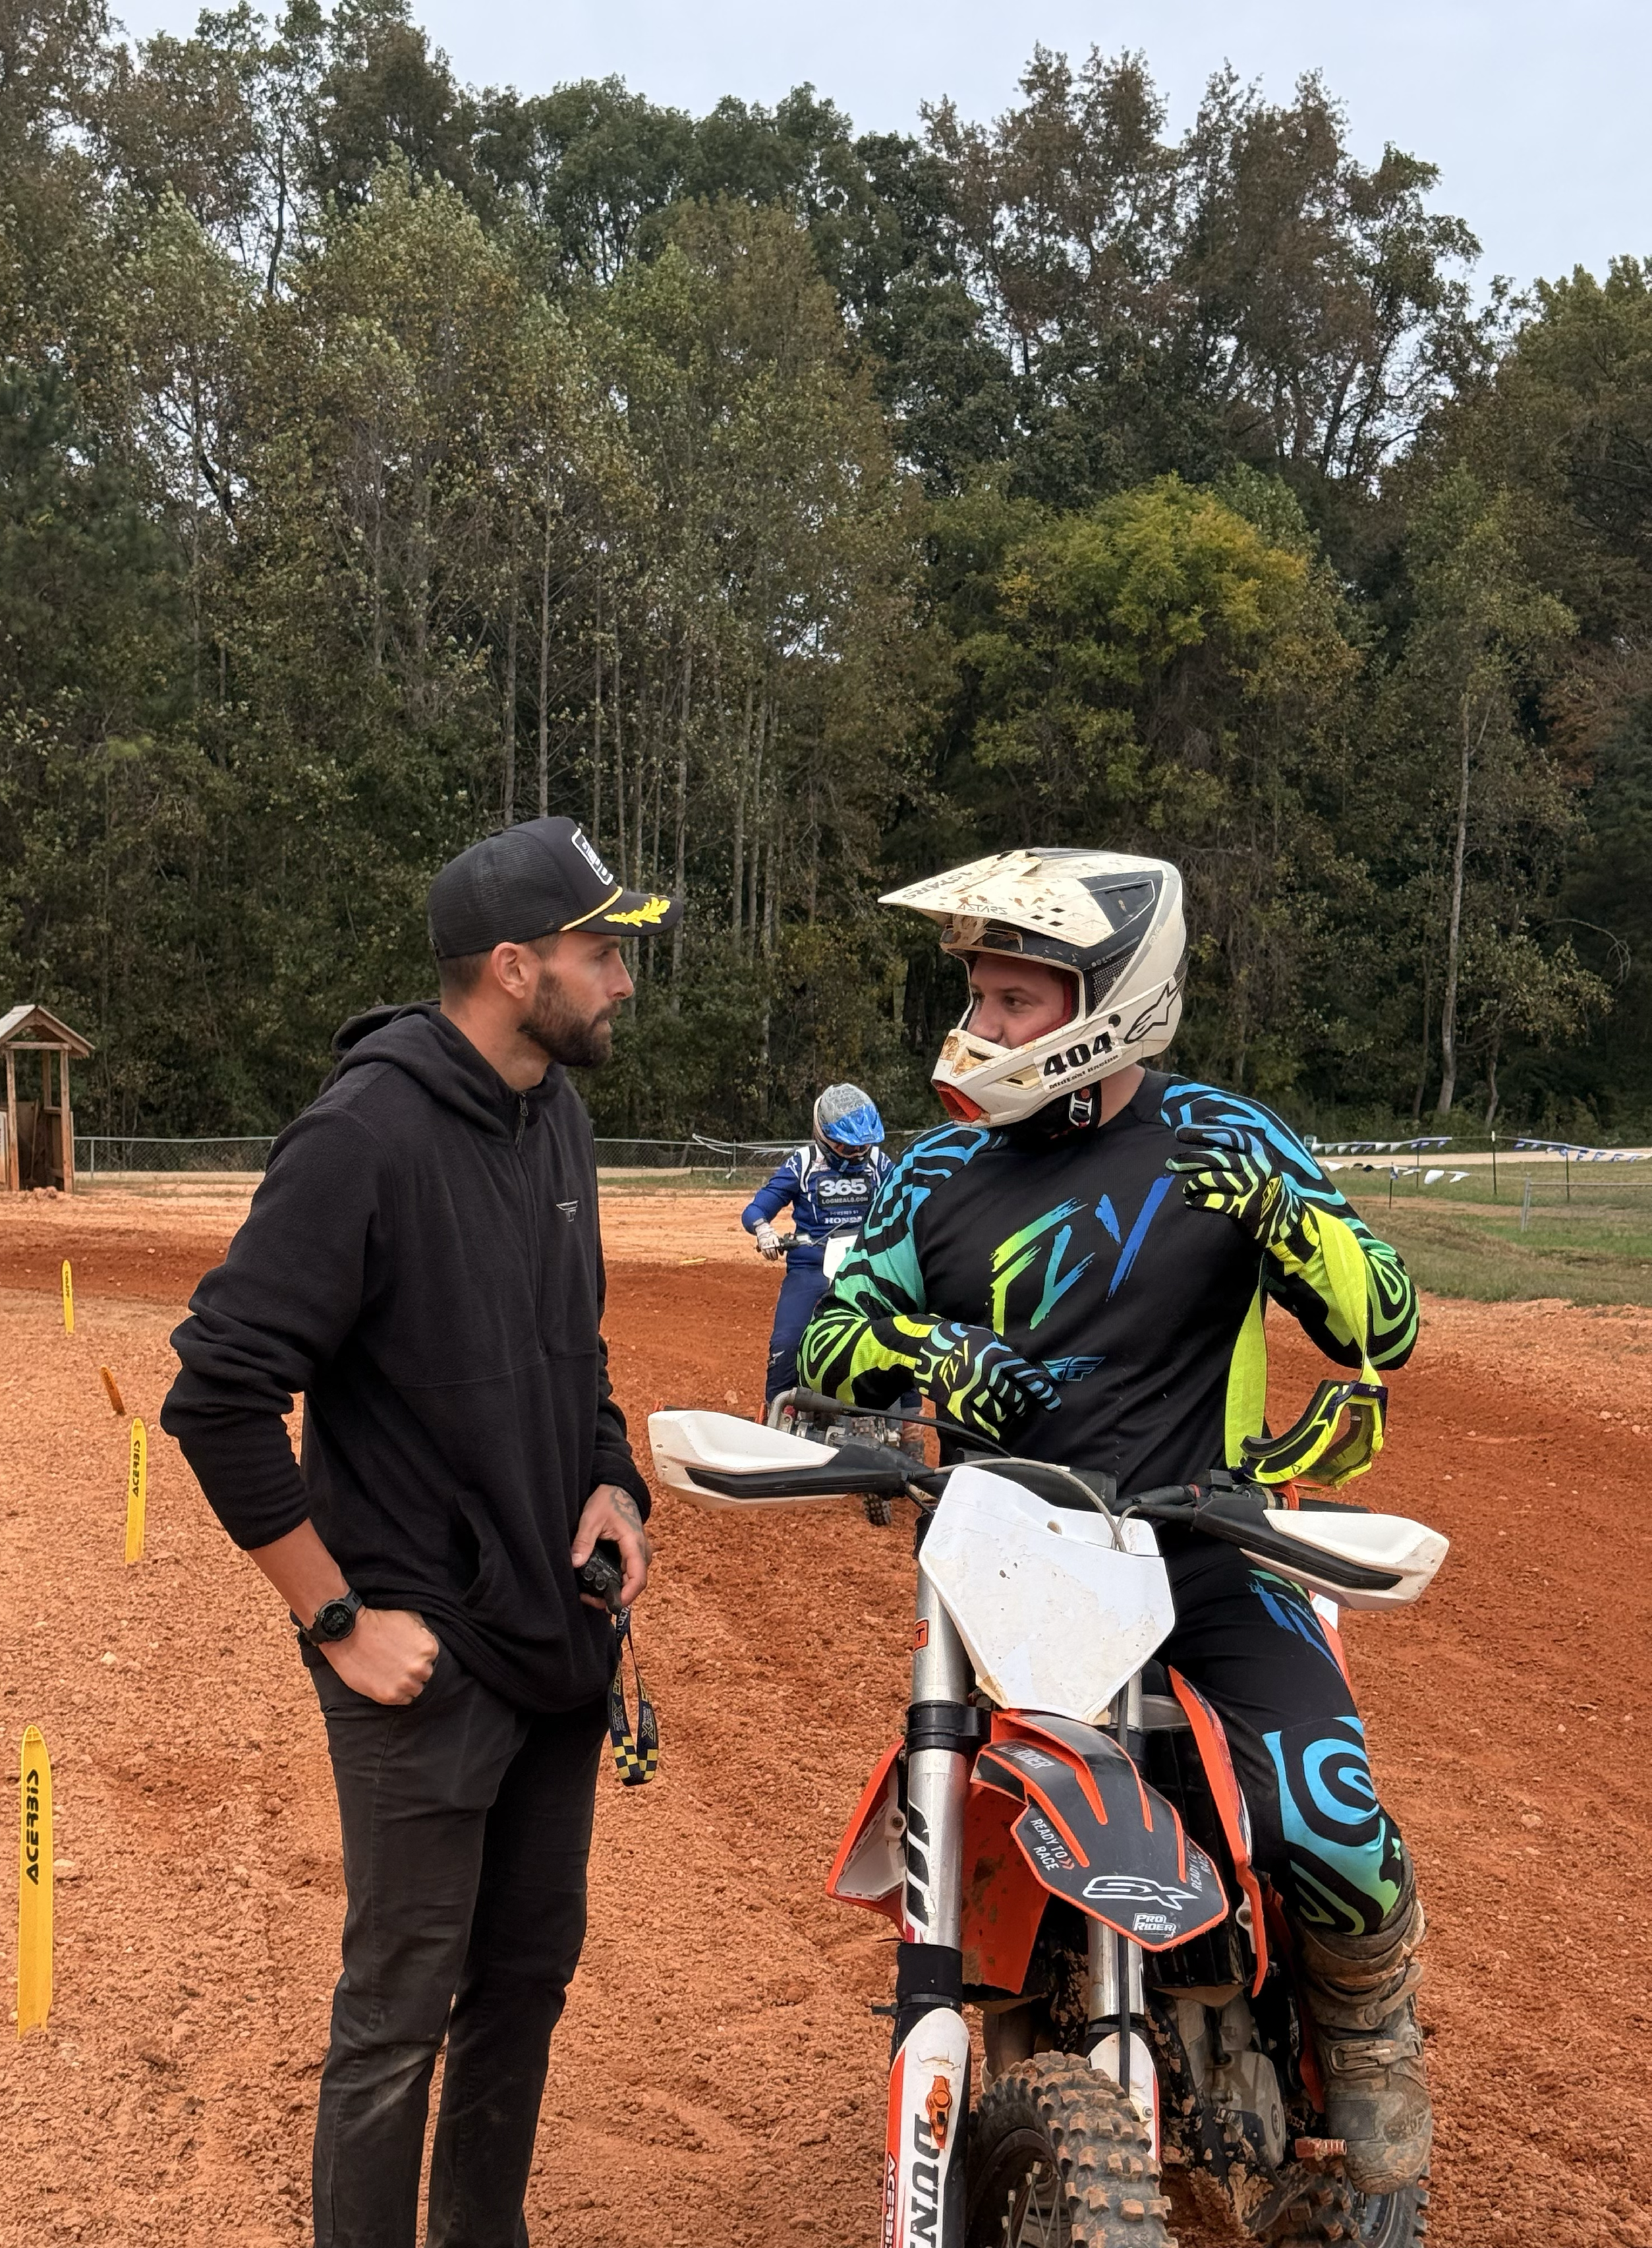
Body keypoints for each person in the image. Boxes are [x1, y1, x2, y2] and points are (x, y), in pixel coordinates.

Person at [800, 845, 1431, 2197]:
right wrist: (926, 1354)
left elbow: (1383, 1322)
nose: (978, 1025)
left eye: (1014, 998)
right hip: (1005, 1570)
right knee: (953, 1795)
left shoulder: (1223, 1141)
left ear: (1108, 1000)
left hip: (1205, 1555)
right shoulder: (929, 1176)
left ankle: (1368, 2019)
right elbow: (825, 1341)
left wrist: (1285, 1213)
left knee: (1332, 1827)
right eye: (974, 991)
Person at [161, 816, 680, 2248]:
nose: (622, 975)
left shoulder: (555, 1113)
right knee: (398, 2009)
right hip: (419, 1659)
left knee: (524, 1976)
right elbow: (215, 1397)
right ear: (514, 967)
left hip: (555, 1640)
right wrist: (336, 1617)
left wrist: (609, 1481)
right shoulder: (362, 1135)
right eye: (600, 948)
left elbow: (567, 1348)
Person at [740, 1082, 893, 1402]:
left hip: (868, 1267)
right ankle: (777, 1414)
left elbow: (907, 1202)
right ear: (823, 1136)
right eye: (846, 1147)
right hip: (811, 1268)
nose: (856, 1154)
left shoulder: (879, 1164)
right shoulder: (804, 1163)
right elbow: (755, 1210)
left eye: (862, 1146)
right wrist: (764, 1231)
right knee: (787, 1343)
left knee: (898, 1337)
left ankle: (908, 1425)